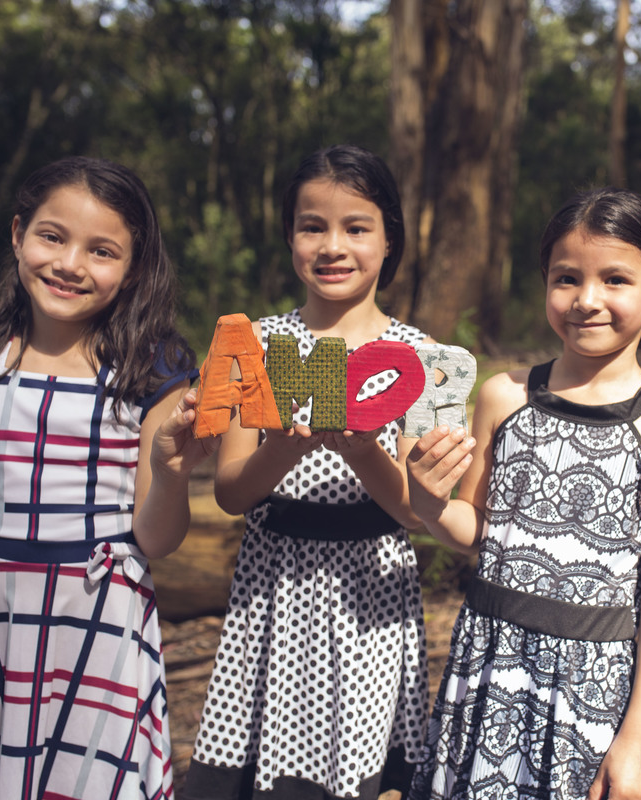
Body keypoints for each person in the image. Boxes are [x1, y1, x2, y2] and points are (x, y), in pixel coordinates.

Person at [0, 156, 214, 798]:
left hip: (102, 621)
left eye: (102, 251)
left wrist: (170, 471)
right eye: (53, 236)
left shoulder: (154, 368)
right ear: (18, 234)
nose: (71, 264)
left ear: (132, 271)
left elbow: (155, 539)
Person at [404, 187, 641, 800]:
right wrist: (430, 504)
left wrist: (640, 740)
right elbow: (478, 531)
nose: (587, 300)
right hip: (485, 666)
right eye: (567, 278)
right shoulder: (502, 396)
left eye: (615, 279)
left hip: (590, 689)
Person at [182, 145, 431, 800]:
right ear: (290, 235)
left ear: (389, 239)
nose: (332, 246)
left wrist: (358, 451)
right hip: (276, 585)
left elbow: (415, 509)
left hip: (372, 597)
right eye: (311, 225)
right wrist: (287, 447)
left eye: (356, 227)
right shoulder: (254, 344)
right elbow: (232, 491)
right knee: (273, 773)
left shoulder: (419, 358)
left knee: (360, 771)